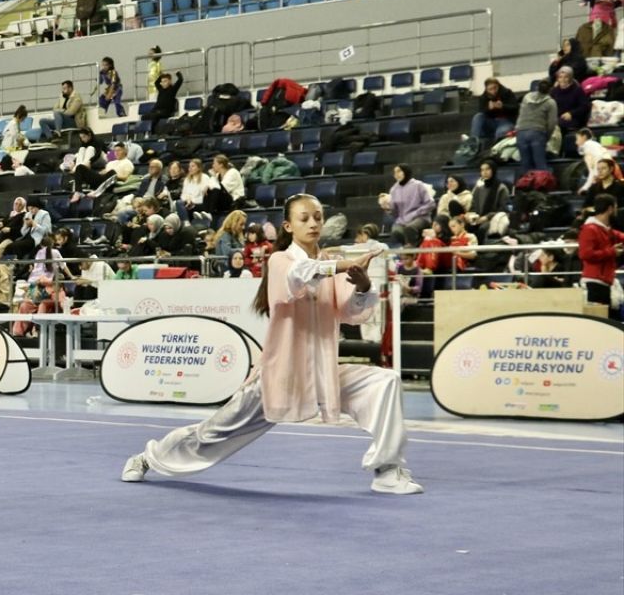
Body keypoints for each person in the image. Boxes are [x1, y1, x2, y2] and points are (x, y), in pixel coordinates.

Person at [121, 194, 423, 495]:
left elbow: (351, 312)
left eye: (318, 217)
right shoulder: (281, 261)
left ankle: (387, 470)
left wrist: (363, 284)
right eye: (304, 218)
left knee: (384, 381)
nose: (314, 223)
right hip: (278, 377)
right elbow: (299, 276)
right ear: (288, 226)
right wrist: (344, 265)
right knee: (212, 433)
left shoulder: (330, 264)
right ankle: (148, 458)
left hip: (322, 374)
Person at [578, 194, 624, 307]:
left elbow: (620, 236)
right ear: (610, 209)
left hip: (603, 281)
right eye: (616, 207)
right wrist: (612, 252)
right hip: (594, 282)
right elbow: (585, 254)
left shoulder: (605, 229)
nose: (617, 210)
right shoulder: (590, 229)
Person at [380, 164, 435, 247]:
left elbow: (430, 204)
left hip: (420, 217)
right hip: (402, 220)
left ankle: (413, 253)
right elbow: (395, 213)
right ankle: (409, 249)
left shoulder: (418, 185)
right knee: (396, 231)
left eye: (399, 171)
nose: (396, 174)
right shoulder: (394, 189)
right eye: (395, 172)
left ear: (406, 172)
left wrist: (415, 214)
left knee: (410, 228)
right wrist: (388, 208)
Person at [515, 80, 558, 177]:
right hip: (537, 133)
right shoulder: (551, 103)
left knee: (525, 166)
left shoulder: (526, 97)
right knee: (540, 166)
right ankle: (542, 189)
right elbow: (552, 123)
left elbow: (520, 115)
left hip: (521, 133)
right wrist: (546, 136)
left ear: (537, 88)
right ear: (550, 90)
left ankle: (527, 189)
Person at [551, 67, 592, 158]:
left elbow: (585, 106)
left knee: (557, 126)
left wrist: (571, 113)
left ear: (570, 78)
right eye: (560, 77)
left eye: (565, 77)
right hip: (557, 118)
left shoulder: (577, 90)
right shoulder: (554, 91)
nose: (563, 79)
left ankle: (557, 153)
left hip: (573, 118)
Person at [469, 78, 519, 144]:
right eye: (490, 89)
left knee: (501, 132)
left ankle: (495, 147)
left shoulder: (507, 93)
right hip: (491, 122)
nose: (493, 91)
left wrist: (503, 106)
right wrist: (488, 109)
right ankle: (473, 142)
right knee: (478, 116)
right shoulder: (484, 97)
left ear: (499, 86)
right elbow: (482, 111)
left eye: (495, 88)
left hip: (507, 121)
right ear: (486, 90)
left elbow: (516, 108)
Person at [138, 71, 183, 137]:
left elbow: (180, 80)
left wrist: (178, 73)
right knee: (144, 117)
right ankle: (145, 133)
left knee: (154, 116)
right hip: (156, 110)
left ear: (170, 81)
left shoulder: (173, 89)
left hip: (166, 111)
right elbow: (156, 83)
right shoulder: (161, 89)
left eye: (165, 81)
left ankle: (152, 133)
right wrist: (161, 75)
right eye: (162, 82)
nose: (163, 83)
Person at [179, 158, 218, 225]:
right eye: (189, 166)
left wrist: (192, 200)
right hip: (188, 203)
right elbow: (183, 194)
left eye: (193, 166)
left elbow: (204, 195)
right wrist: (188, 199)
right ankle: (186, 222)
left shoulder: (205, 177)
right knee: (179, 203)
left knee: (184, 206)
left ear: (199, 168)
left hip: (200, 202)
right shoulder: (187, 179)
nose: (190, 168)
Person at [577, 129, 613, 194]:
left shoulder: (588, 144)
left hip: (609, 174)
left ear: (584, 137)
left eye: (577, 139)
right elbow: (592, 171)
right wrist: (585, 187)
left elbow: (598, 163)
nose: (576, 142)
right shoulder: (592, 146)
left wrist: (586, 187)